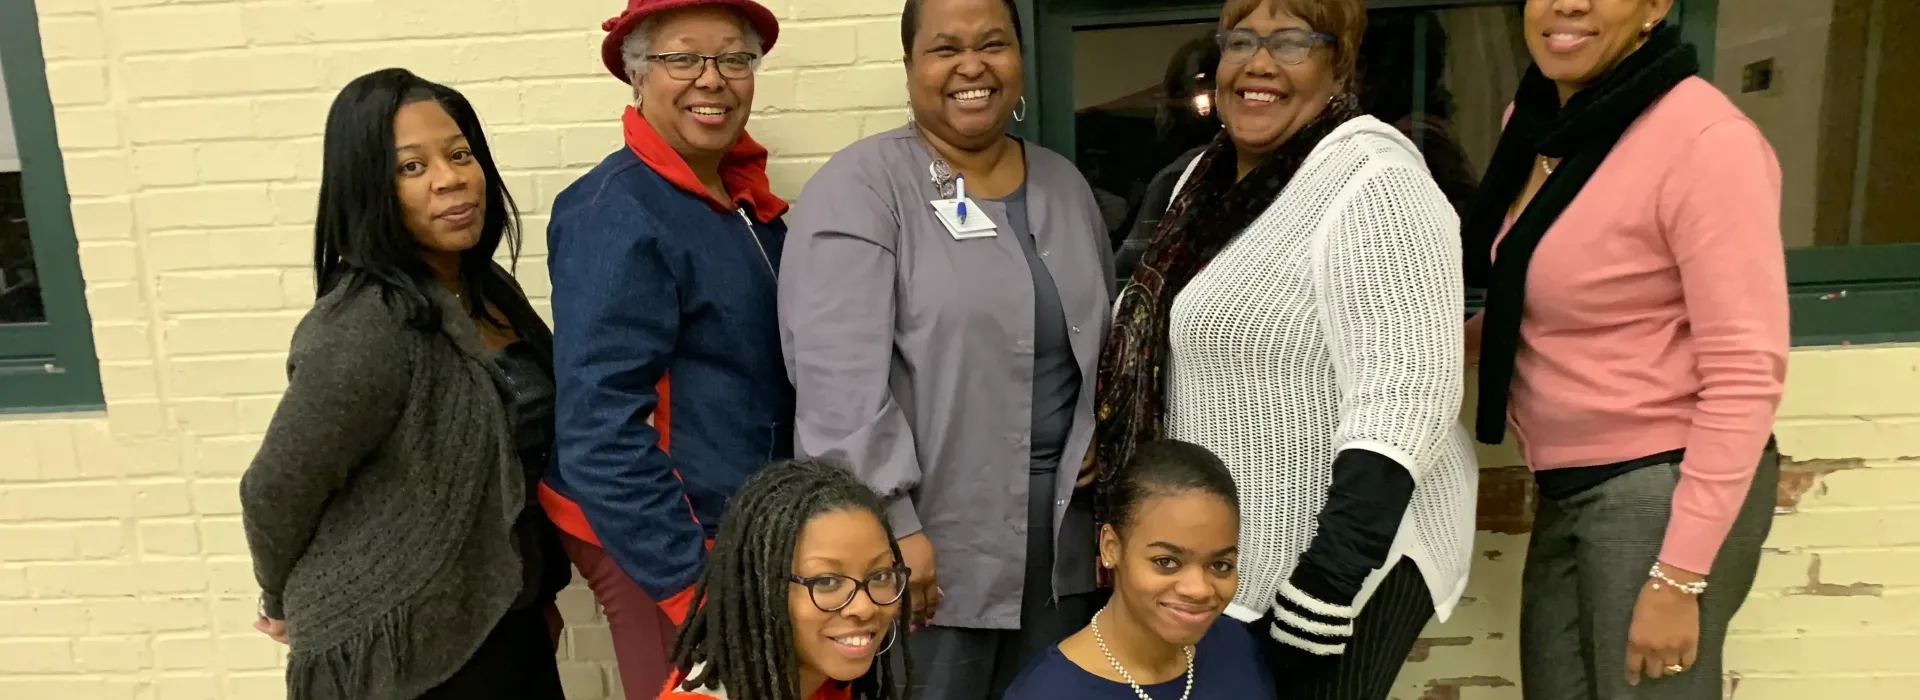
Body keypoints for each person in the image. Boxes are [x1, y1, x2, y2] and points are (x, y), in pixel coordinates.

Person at [1088, 0, 1478, 698]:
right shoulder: (1200, 182)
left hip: (1345, 563)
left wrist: (1326, 585)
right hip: (1237, 557)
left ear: (1339, 61)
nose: (1259, 64)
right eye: (1241, 41)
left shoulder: (1374, 181)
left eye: (1293, 41)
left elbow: (1407, 394)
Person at [777, 0, 1117, 697]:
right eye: (944, 48)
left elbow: (1102, 343)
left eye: (993, 43)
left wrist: (1102, 431)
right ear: (909, 68)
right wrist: (888, 529)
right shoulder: (862, 190)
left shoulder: (1064, 185)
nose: (972, 65)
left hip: (1063, 552)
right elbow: (837, 390)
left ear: (1019, 59)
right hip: (929, 547)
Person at [1461, 1, 1787, 696]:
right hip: (1569, 483)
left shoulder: (1704, 140)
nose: (1566, 4)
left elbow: (1746, 371)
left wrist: (1679, 576)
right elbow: (1552, 295)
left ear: (1656, 6)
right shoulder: (1542, 124)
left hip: (1659, 485)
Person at [239, 68, 568, 700]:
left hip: (494, 614)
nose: (449, 178)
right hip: (399, 647)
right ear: (369, 189)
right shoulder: (366, 325)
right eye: (410, 168)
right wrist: (277, 597)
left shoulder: (487, 290)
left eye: (459, 154)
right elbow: (275, 486)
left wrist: (536, 593)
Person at [539, 0, 792, 697]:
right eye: (682, 58)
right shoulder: (615, 213)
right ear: (637, 74)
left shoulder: (744, 205)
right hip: (659, 537)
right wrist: (691, 584)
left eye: (734, 59)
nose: (711, 79)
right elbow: (600, 430)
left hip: (731, 521)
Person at [1005, 441, 1274, 700]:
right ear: (1111, 547)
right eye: (1166, 562)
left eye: (1220, 565)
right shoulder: (1048, 692)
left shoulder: (1238, 649)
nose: (1199, 589)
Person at [658, 459, 911, 700]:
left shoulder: (826, 682)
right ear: (762, 591)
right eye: (826, 582)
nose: (865, 608)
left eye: (880, 576)